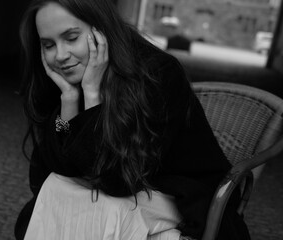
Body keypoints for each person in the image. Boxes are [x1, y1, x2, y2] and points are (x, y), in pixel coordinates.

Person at [15, 0, 251, 239]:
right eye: (48, 45)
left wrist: (93, 97)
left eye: (71, 37)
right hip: (121, 189)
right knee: (56, 187)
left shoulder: (157, 74)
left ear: (101, 30)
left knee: (105, 210)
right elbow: (57, 168)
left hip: (176, 192)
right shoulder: (66, 80)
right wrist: (69, 100)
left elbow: (116, 180)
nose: (61, 55)